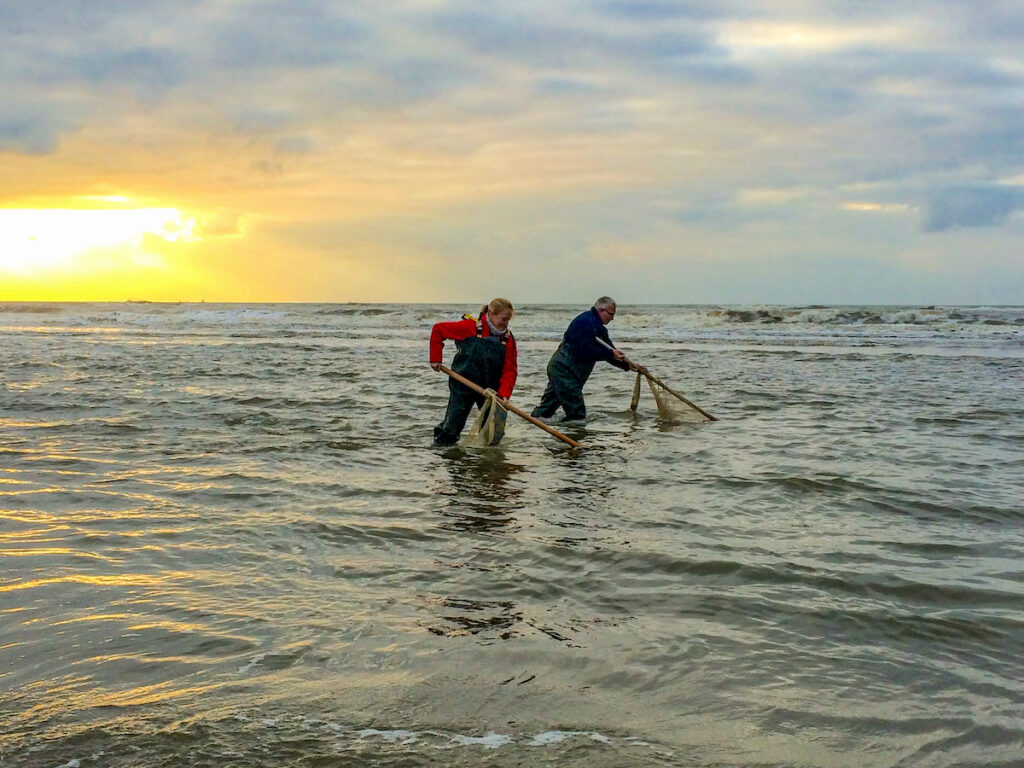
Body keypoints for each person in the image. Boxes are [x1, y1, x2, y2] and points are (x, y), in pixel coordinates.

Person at [531, 296, 644, 421]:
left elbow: (610, 352)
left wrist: (629, 366)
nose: (612, 318)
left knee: (545, 411)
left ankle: (530, 427)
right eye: (611, 314)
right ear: (601, 310)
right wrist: (611, 354)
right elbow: (584, 350)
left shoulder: (599, 329)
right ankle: (573, 438)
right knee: (577, 413)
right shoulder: (584, 322)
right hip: (564, 371)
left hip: (567, 372)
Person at [429, 298, 518, 446]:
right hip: (463, 384)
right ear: (491, 313)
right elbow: (438, 330)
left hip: (491, 390)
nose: (506, 323)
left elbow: (510, 369)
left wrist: (504, 395)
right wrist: (435, 358)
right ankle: (441, 453)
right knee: (452, 427)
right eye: (503, 319)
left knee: (493, 432)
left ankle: (489, 463)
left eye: (508, 320)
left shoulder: (508, 339)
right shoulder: (470, 327)